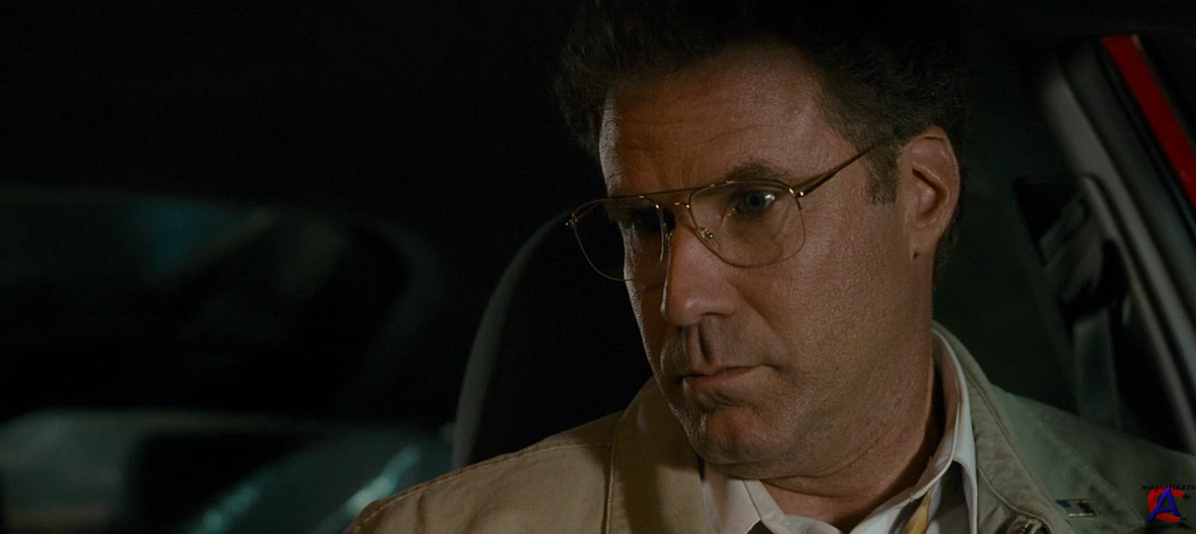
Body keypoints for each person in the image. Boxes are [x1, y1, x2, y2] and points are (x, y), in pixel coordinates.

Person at [347, 1, 1196, 532]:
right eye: (643, 222)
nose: (679, 299)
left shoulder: (1163, 509)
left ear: (923, 195)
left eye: (753, 203)